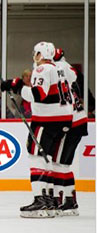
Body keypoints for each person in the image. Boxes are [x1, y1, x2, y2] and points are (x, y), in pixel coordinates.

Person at [1, 41, 73, 218]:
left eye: (36, 53)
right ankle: (50, 201)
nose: (34, 56)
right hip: (64, 119)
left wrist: (17, 87)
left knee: (36, 157)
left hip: (46, 119)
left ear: (40, 54)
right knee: (47, 158)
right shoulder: (60, 68)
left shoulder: (42, 69)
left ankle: (40, 201)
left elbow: (39, 95)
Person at [53, 48, 88, 216]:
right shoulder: (67, 71)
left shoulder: (58, 71)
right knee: (64, 164)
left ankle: (59, 200)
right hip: (79, 122)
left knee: (57, 163)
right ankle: (69, 200)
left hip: (70, 123)